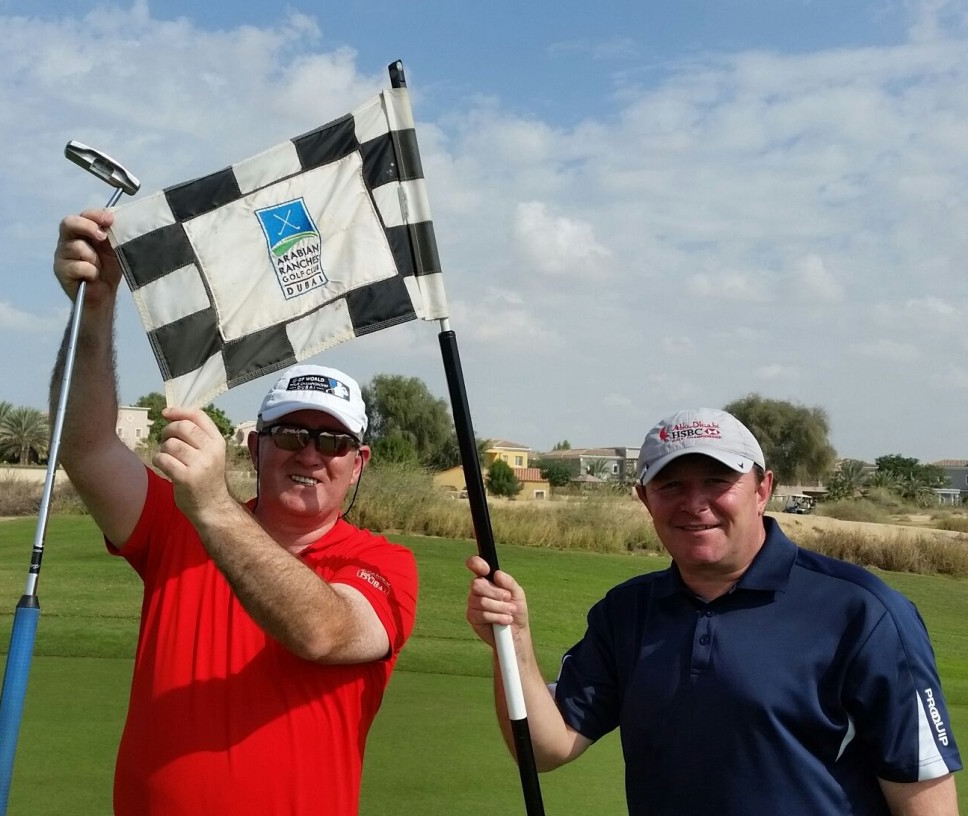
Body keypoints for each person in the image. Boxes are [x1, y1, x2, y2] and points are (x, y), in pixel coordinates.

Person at [51, 209, 418, 816]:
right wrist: (95, 308)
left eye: (332, 443)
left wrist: (216, 509)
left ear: (359, 463)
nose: (310, 454)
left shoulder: (382, 563)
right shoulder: (178, 520)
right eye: (291, 434)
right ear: (256, 446)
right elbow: (87, 448)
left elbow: (324, 634)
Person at [466, 408, 961, 815]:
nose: (694, 503)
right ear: (644, 498)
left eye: (717, 480)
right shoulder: (627, 612)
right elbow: (546, 748)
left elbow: (924, 798)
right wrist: (514, 644)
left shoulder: (863, 612)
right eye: (671, 486)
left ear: (762, 488)